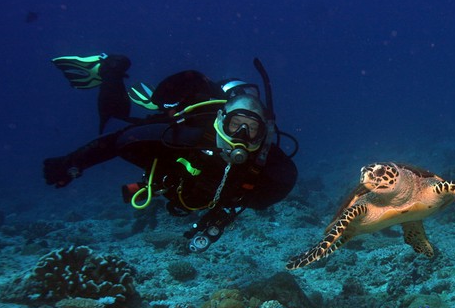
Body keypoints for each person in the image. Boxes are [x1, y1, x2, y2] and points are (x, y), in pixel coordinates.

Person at [43, 53, 298, 252]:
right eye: (234, 125)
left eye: (251, 129)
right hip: (180, 115)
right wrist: (71, 163)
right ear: (221, 121)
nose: (241, 135)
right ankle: (109, 67)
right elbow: (118, 142)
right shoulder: (188, 137)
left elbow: (255, 195)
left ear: (263, 134)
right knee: (128, 117)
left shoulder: (267, 165)